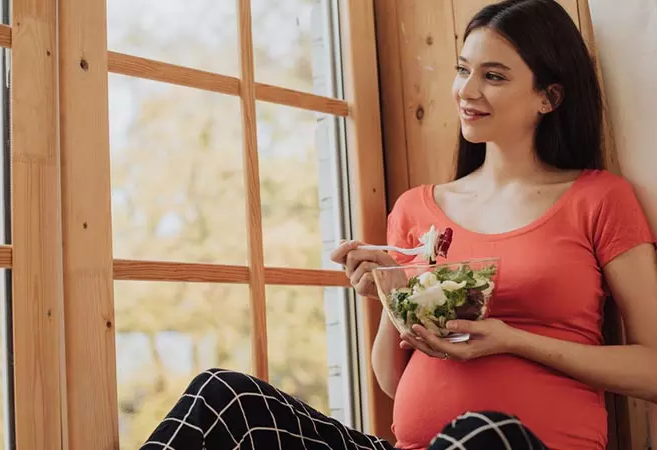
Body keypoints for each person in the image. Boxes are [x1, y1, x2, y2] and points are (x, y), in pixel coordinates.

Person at [140, 0, 657, 448]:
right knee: (225, 396)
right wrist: (393, 291)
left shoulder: (598, 199)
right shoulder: (417, 210)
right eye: (462, 69)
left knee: (482, 432)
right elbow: (393, 379)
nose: (466, 90)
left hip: (511, 442)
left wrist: (514, 341)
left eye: (493, 75)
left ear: (549, 97)